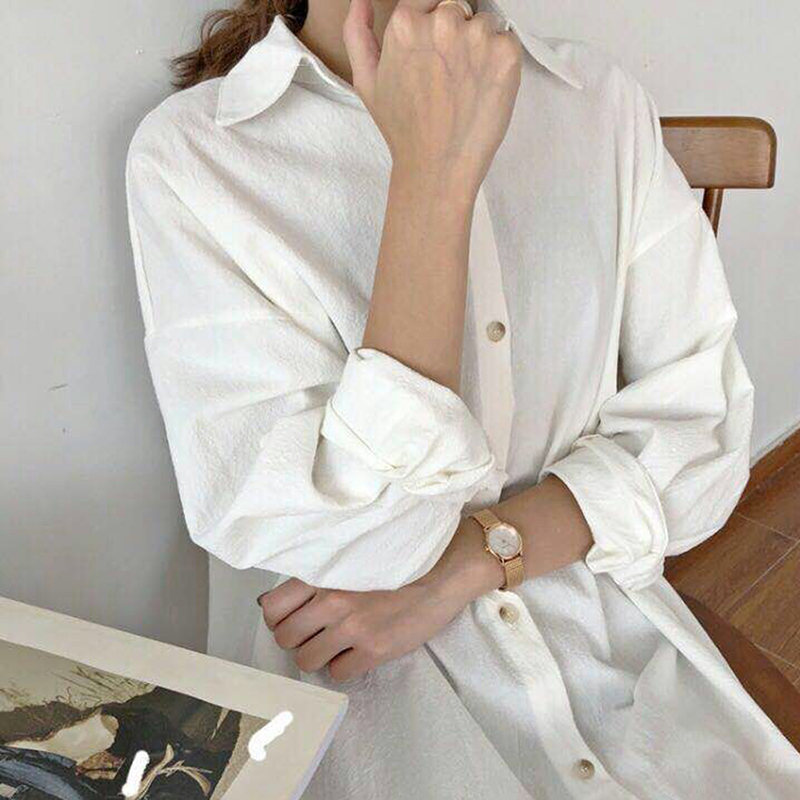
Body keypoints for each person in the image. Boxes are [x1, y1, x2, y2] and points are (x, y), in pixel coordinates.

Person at [125, 0, 800, 797]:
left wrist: (462, 568)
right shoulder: (198, 153)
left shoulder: (596, 99)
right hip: (356, 689)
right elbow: (339, 540)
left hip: (620, 658)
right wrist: (432, 180)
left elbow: (701, 438)